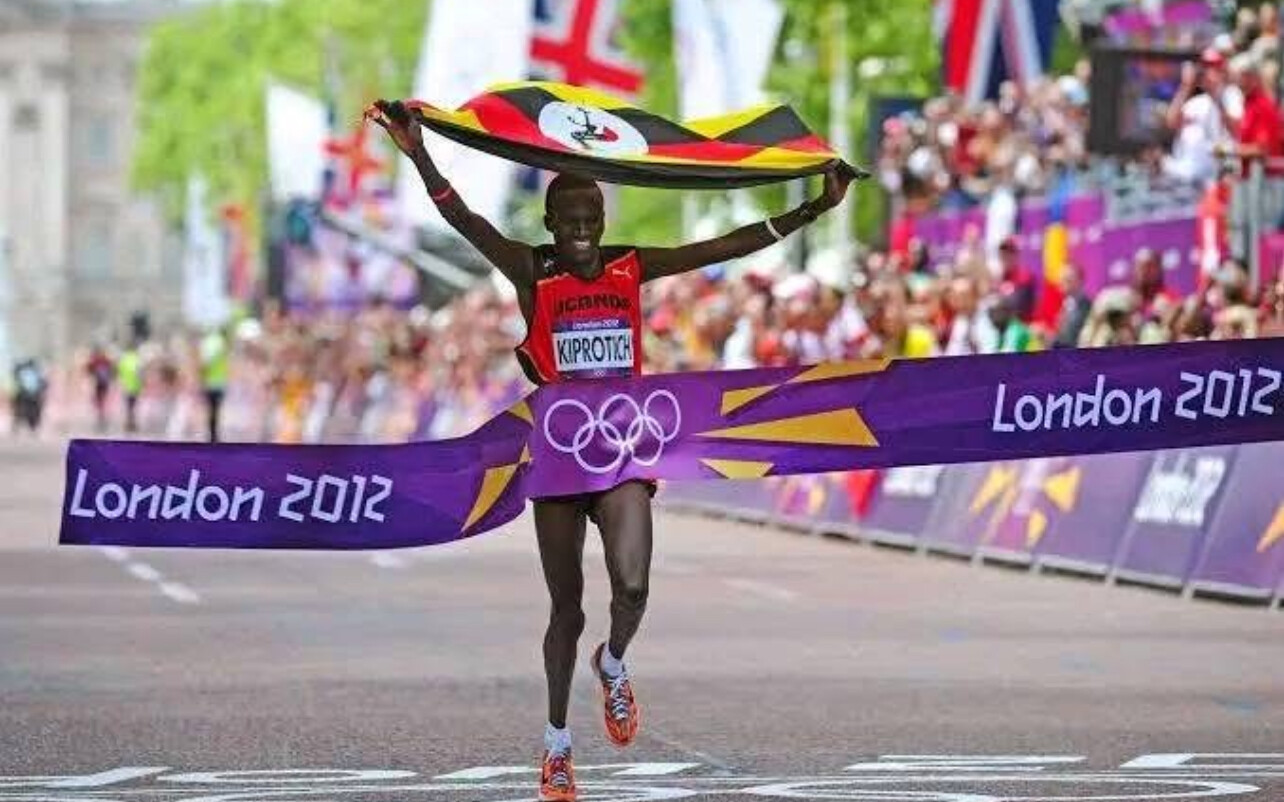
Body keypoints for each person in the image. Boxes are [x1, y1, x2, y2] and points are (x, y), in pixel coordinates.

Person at [368, 98, 853, 802]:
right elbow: (464, 220)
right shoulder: (532, 269)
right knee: (566, 611)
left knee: (633, 588)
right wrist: (419, 154)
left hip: (623, 450)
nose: (583, 233)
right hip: (559, 455)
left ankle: (615, 661)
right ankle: (557, 746)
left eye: (592, 220)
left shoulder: (629, 266)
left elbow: (722, 248)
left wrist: (813, 209)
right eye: (570, 222)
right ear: (550, 224)